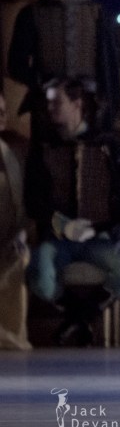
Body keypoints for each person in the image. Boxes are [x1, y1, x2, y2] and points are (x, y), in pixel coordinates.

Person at [24, 78, 120, 347]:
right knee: (38, 271)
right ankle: (80, 319)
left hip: (99, 236)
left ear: (77, 104)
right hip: (58, 239)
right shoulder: (44, 149)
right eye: (48, 102)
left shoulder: (110, 148)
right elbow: (33, 201)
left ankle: (79, 319)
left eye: (57, 102)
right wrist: (62, 225)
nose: (50, 108)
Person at [7, 0, 120, 139]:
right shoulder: (31, 14)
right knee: (49, 163)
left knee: (90, 163)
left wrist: (109, 110)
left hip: (89, 103)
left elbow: (110, 65)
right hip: (48, 104)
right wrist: (45, 84)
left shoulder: (96, 12)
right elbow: (15, 64)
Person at [0, 91, 31, 350]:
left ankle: (11, 337)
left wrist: (21, 234)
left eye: (3, 112)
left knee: (18, 257)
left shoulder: (13, 155)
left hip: (7, 239)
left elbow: (23, 207)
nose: (2, 118)